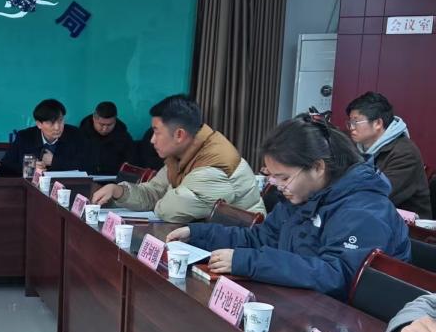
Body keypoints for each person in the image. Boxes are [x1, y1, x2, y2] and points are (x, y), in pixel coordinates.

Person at [167, 114, 411, 300]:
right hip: (304, 305)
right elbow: (260, 239)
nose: (276, 185)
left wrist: (250, 262)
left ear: (318, 167)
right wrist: (198, 234)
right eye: (272, 176)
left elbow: (337, 276)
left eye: (283, 177)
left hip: (354, 325)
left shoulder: (363, 209)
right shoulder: (301, 196)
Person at [92, 94, 263, 223]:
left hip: (239, 246)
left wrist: (160, 198)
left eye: (157, 132)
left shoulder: (213, 164)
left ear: (179, 135)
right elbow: (154, 192)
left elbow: (169, 210)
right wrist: (119, 191)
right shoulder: (182, 154)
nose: (152, 140)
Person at [345, 91, 430, 217]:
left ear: (378, 123)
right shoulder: (356, 147)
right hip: (371, 216)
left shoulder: (405, 153)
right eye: (350, 123)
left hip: (406, 225)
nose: (351, 127)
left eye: (355, 122)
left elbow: (378, 193)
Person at [0, 99, 90, 177]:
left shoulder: (76, 135)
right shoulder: (25, 137)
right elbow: (6, 168)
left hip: (67, 188)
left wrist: (54, 161)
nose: (57, 127)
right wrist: (30, 168)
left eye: (60, 121)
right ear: (39, 124)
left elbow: (87, 166)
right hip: (31, 189)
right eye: (51, 123)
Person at [78, 101, 134, 176]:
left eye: (109, 125)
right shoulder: (80, 136)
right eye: (101, 124)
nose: (105, 129)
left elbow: (130, 165)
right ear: (94, 119)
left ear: (115, 120)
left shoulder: (124, 138)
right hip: (86, 179)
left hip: (114, 180)